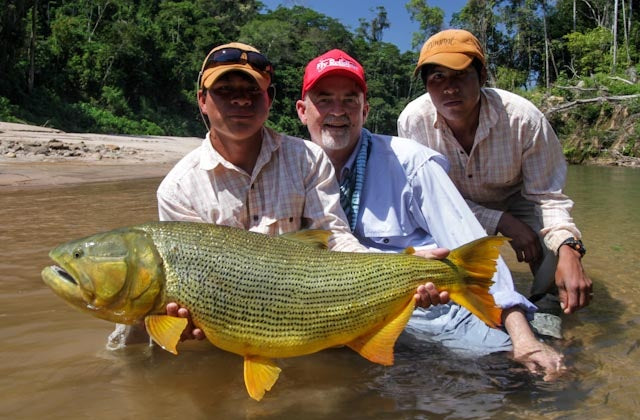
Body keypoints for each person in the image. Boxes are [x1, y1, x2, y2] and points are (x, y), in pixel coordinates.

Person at [107, 42, 443, 348]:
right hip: (225, 321)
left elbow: (337, 239)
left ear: (269, 99)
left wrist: (403, 269)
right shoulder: (178, 187)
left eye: (252, 91)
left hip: (302, 312)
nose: (241, 100)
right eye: (225, 90)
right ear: (202, 100)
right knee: (142, 348)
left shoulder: (308, 159)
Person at [295, 49, 565, 379]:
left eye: (350, 101)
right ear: (302, 111)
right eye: (324, 100)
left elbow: (474, 255)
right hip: (332, 316)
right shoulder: (290, 170)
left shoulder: (412, 164)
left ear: (364, 111)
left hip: (426, 314)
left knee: (518, 379)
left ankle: (540, 325)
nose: (338, 112)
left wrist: (525, 341)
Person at [398, 29, 592, 337]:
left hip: (518, 196)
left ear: (482, 76)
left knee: (552, 247)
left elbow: (549, 197)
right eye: (437, 78)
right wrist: (503, 222)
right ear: (426, 85)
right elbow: (430, 202)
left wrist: (570, 250)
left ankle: (547, 307)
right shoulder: (413, 121)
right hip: (454, 204)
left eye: (460, 75)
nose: (449, 89)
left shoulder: (524, 120)